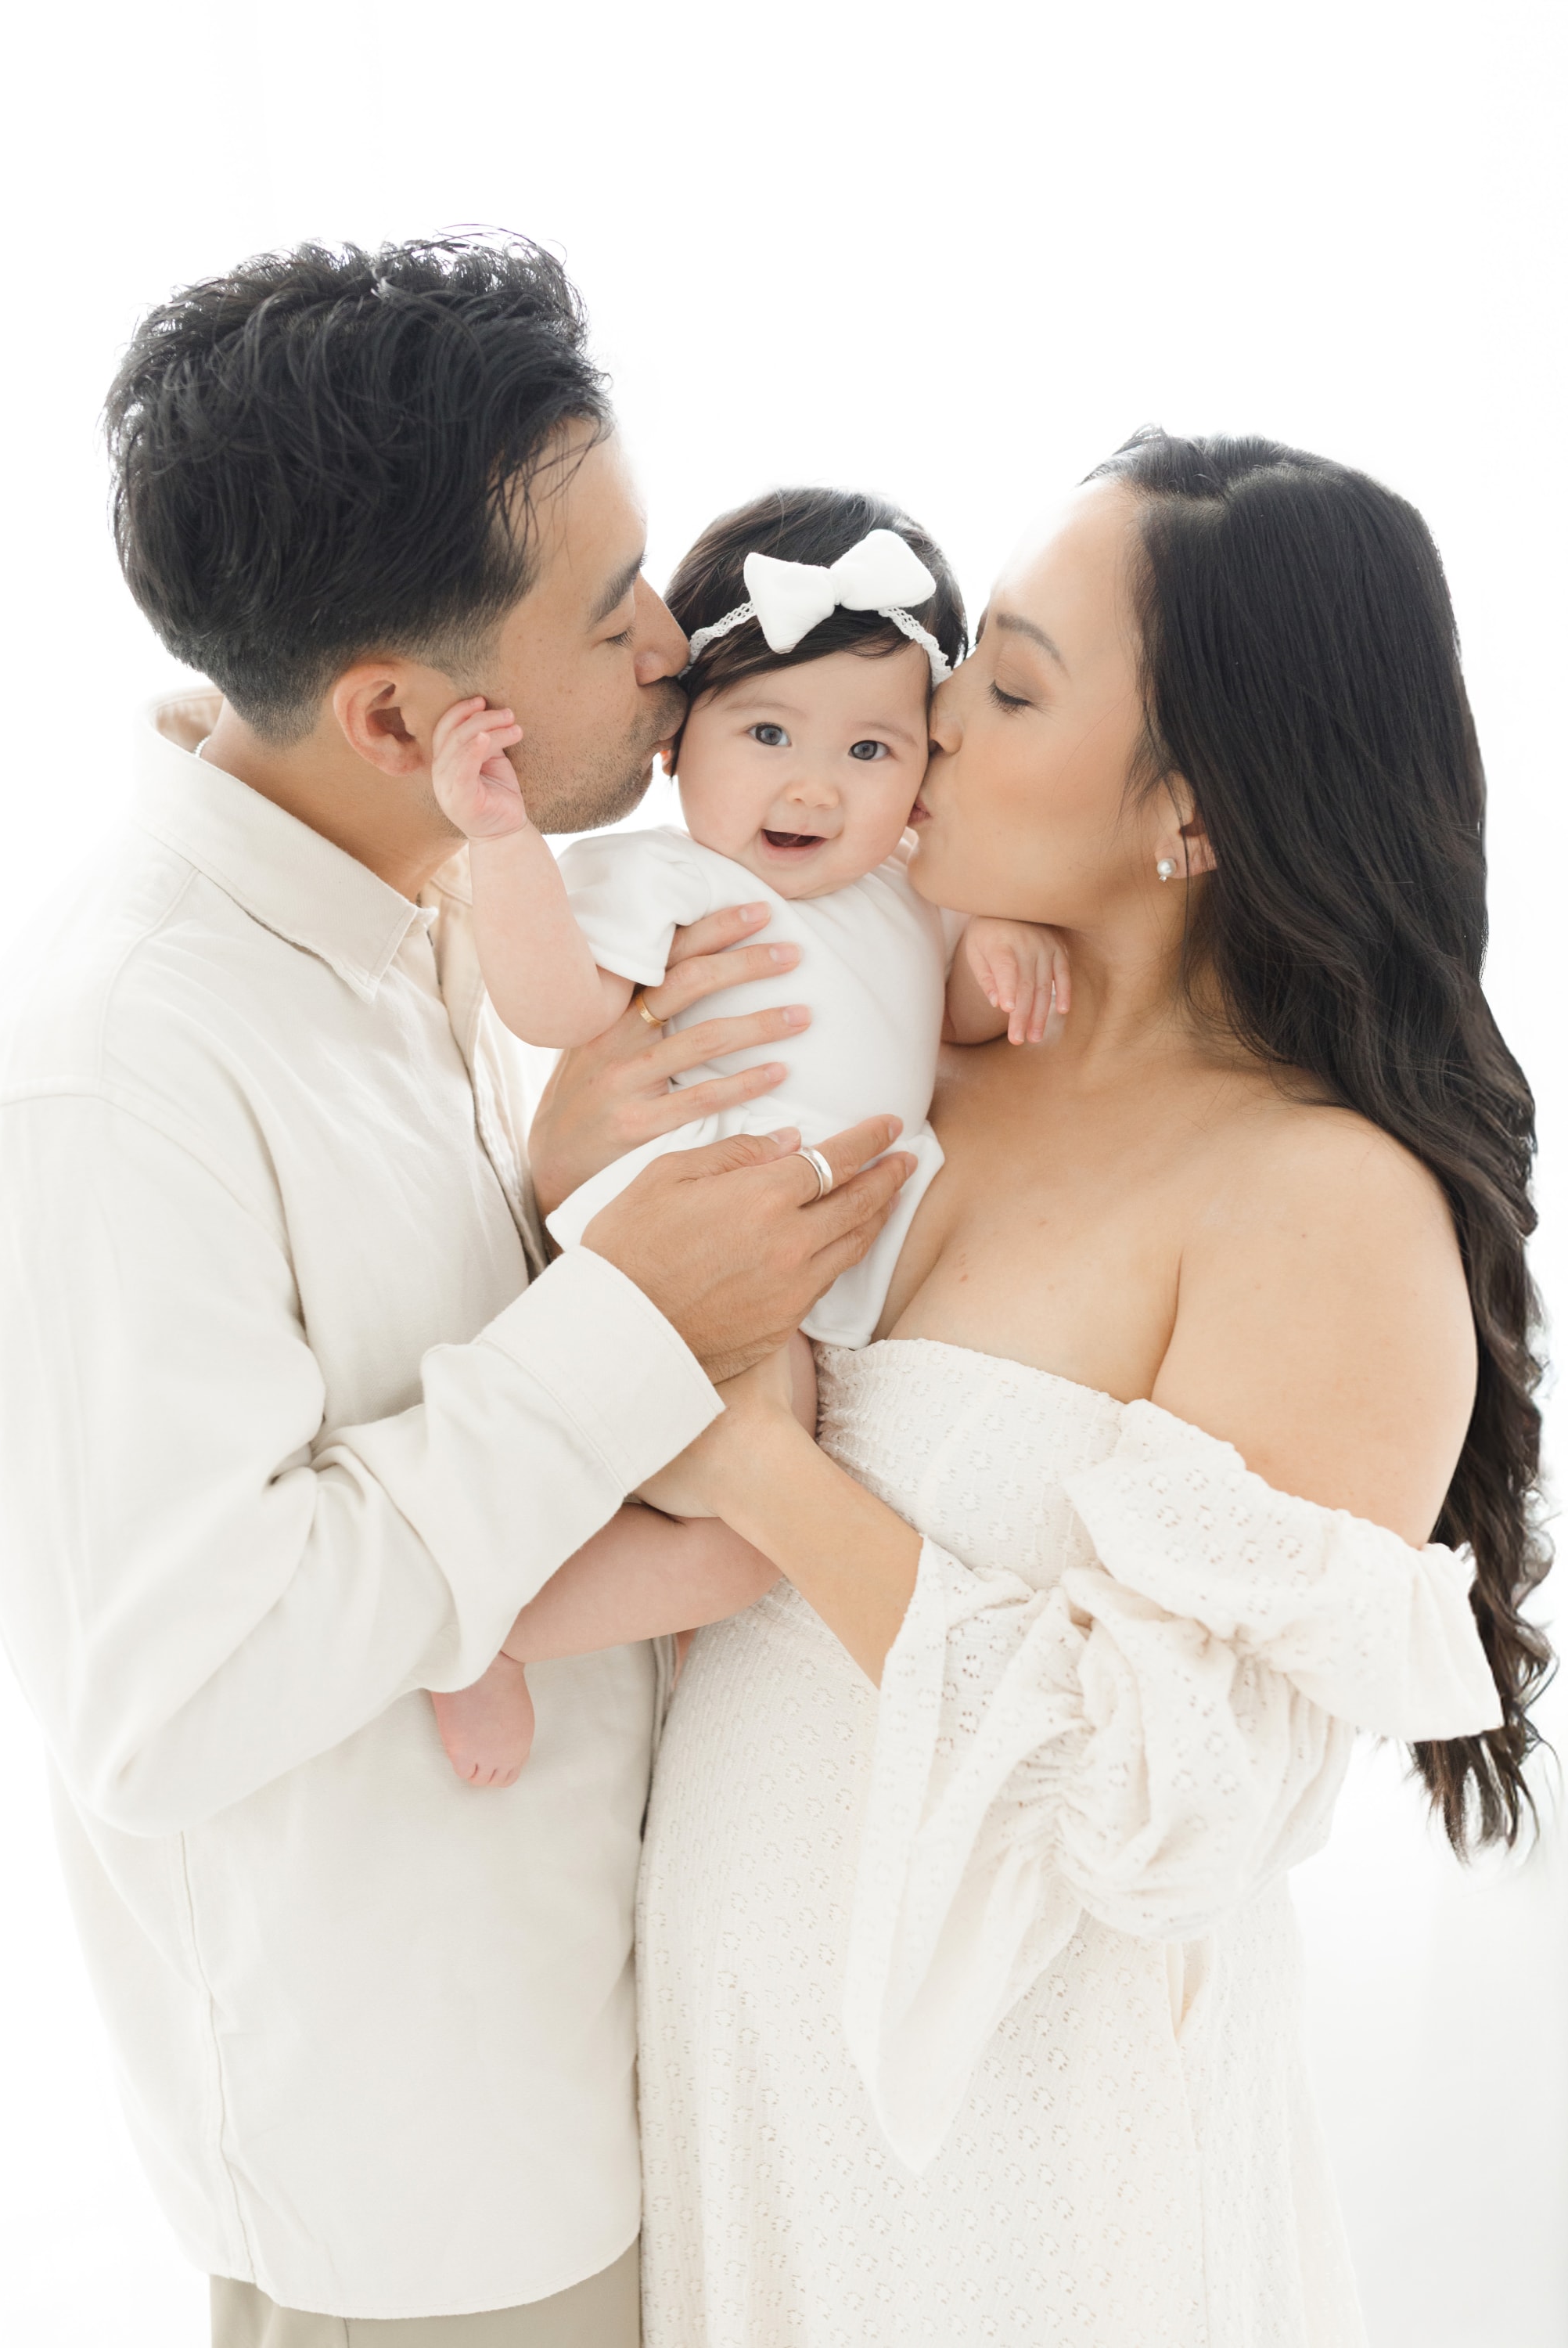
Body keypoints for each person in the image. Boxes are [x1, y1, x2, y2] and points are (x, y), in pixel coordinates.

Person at [0, 234, 915, 2346]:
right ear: (396, 712)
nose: (674, 643)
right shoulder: (105, 1082)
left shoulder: (427, 904)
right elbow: (168, 1696)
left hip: (638, 2077)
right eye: (611, 608)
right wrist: (626, 1321)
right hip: (448, 2205)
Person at [630, 432, 1551, 2345]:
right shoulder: (904, 1035)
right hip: (738, 2120)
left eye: (1014, 684)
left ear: (1191, 816)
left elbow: (1162, 1802)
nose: (931, 714)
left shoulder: (1319, 1204)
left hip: (1025, 2190)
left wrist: (761, 1475)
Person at [429, 486, 1069, 1787]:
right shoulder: (661, 881)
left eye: (873, 753)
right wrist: (504, 842)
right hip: (674, 1270)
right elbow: (550, 1003)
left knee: (753, 1537)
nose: (812, 786)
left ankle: (531, 1617)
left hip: (787, 1290)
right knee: (744, 1541)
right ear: (675, 744)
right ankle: (480, 1626)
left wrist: (1007, 933)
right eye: (767, 730)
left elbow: (962, 1021)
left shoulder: (911, 897)